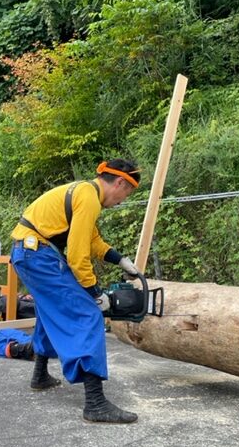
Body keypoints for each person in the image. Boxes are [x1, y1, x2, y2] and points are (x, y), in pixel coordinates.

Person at [10, 158, 142, 424]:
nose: (122, 201)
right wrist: (95, 294)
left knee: (51, 312)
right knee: (87, 314)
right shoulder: (89, 197)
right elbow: (78, 256)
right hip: (38, 254)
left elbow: (92, 240)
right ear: (119, 182)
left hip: (27, 251)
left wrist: (120, 259)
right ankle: (95, 403)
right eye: (126, 194)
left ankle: (40, 375)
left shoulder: (84, 192)